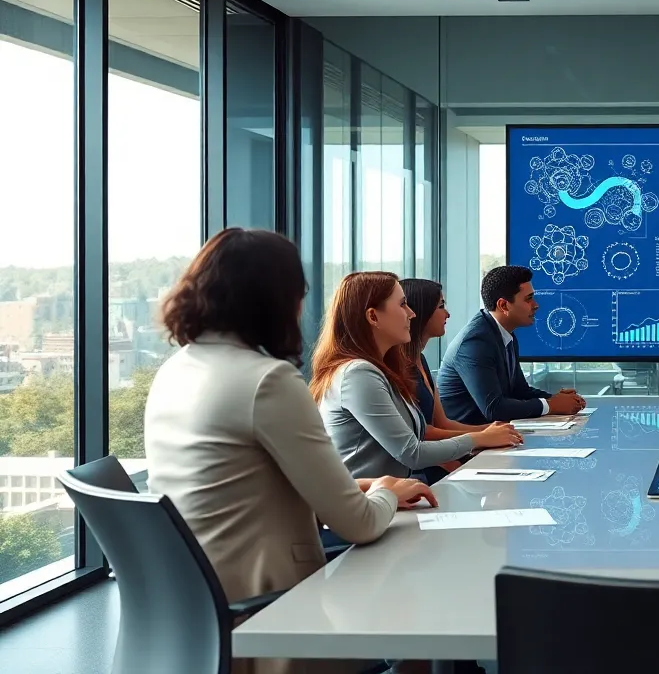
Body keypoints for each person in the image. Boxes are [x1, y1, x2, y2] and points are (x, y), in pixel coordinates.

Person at [145, 229, 434, 674]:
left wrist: (370, 485)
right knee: (421, 605)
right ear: (278, 301)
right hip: (273, 614)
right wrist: (388, 493)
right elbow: (357, 523)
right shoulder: (268, 381)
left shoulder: (175, 371)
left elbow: (241, 490)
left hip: (197, 610)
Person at [312, 272, 522, 480]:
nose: (411, 314)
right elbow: (412, 453)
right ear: (373, 316)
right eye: (402, 305)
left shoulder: (381, 370)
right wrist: (479, 439)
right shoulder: (357, 375)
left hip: (393, 496)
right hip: (369, 506)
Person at [438, 265, 585, 425]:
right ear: (503, 305)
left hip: (495, 437)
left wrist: (555, 399)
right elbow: (494, 408)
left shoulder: (505, 335)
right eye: (528, 299)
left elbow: (519, 390)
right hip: (470, 443)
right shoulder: (475, 342)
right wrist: (551, 405)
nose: (536, 305)